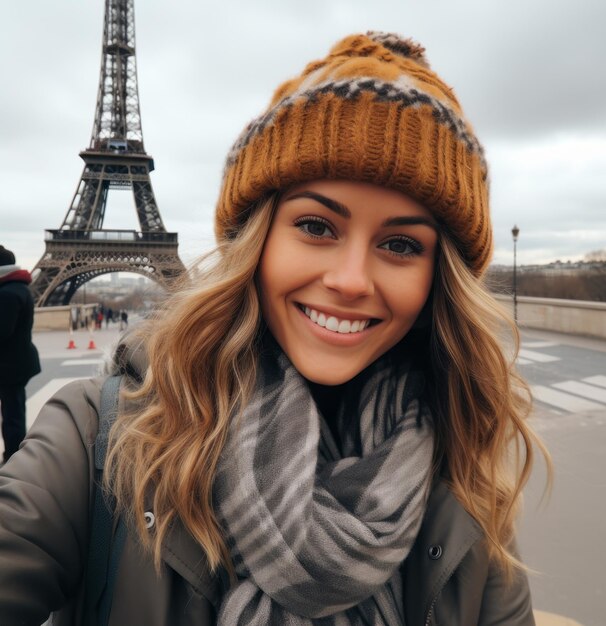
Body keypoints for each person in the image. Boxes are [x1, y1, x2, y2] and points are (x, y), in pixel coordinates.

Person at [0, 32, 550, 625]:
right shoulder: (98, 441)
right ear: (255, 243)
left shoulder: (464, 490)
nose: (350, 279)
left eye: (399, 243)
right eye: (317, 226)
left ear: (439, 278)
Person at [0, 245, 41, 465]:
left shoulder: (7, 293)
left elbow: (2, 331)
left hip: (10, 366)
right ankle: (14, 455)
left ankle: (14, 458)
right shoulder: (18, 288)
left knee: (13, 416)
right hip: (16, 363)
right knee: (14, 411)